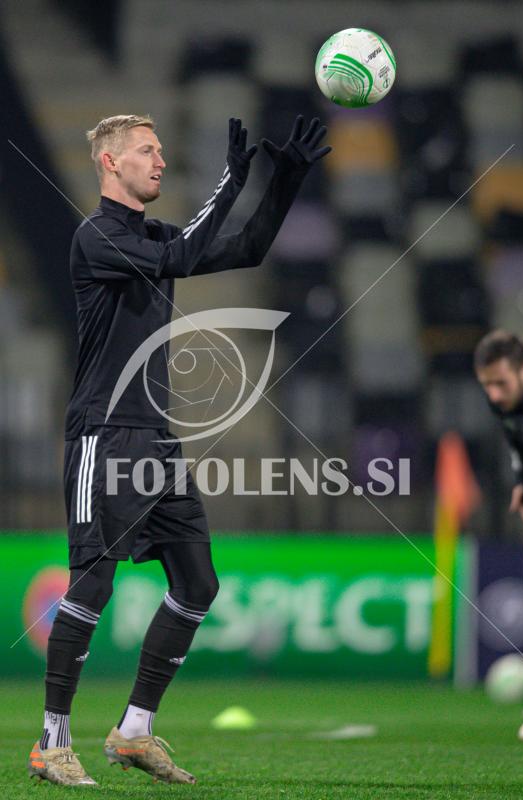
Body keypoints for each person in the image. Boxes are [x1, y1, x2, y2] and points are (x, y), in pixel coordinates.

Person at [28, 113, 331, 785]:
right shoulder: (96, 236)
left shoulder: (155, 235)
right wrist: (232, 181)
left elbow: (246, 248)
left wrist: (285, 180)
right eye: (147, 150)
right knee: (93, 582)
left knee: (197, 583)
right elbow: (182, 259)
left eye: (161, 150)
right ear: (111, 163)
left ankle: (135, 731)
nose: (160, 160)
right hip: (104, 434)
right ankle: (51, 741)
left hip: (156, 440)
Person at [474, 329, 523, 740]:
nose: (494, 394)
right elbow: (520, 443)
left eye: (501, 383)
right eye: (487, 385)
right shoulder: (504, 404)